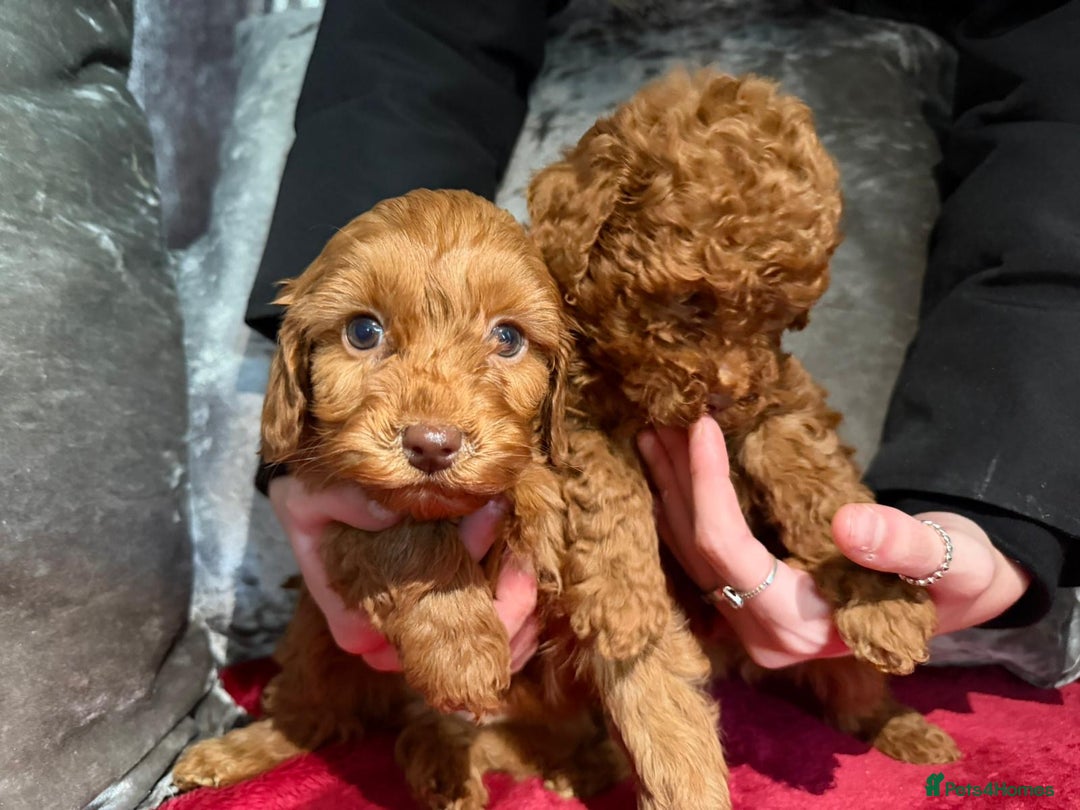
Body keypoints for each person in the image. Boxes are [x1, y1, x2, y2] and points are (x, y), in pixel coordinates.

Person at [245, 0, 1079, 675]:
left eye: (768, 319)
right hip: (520, 314)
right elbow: (416, 37)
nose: (726, 371)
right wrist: (336, 374)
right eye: (690, 312)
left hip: (957, 356)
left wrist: (996, 502)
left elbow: (1060, 87)